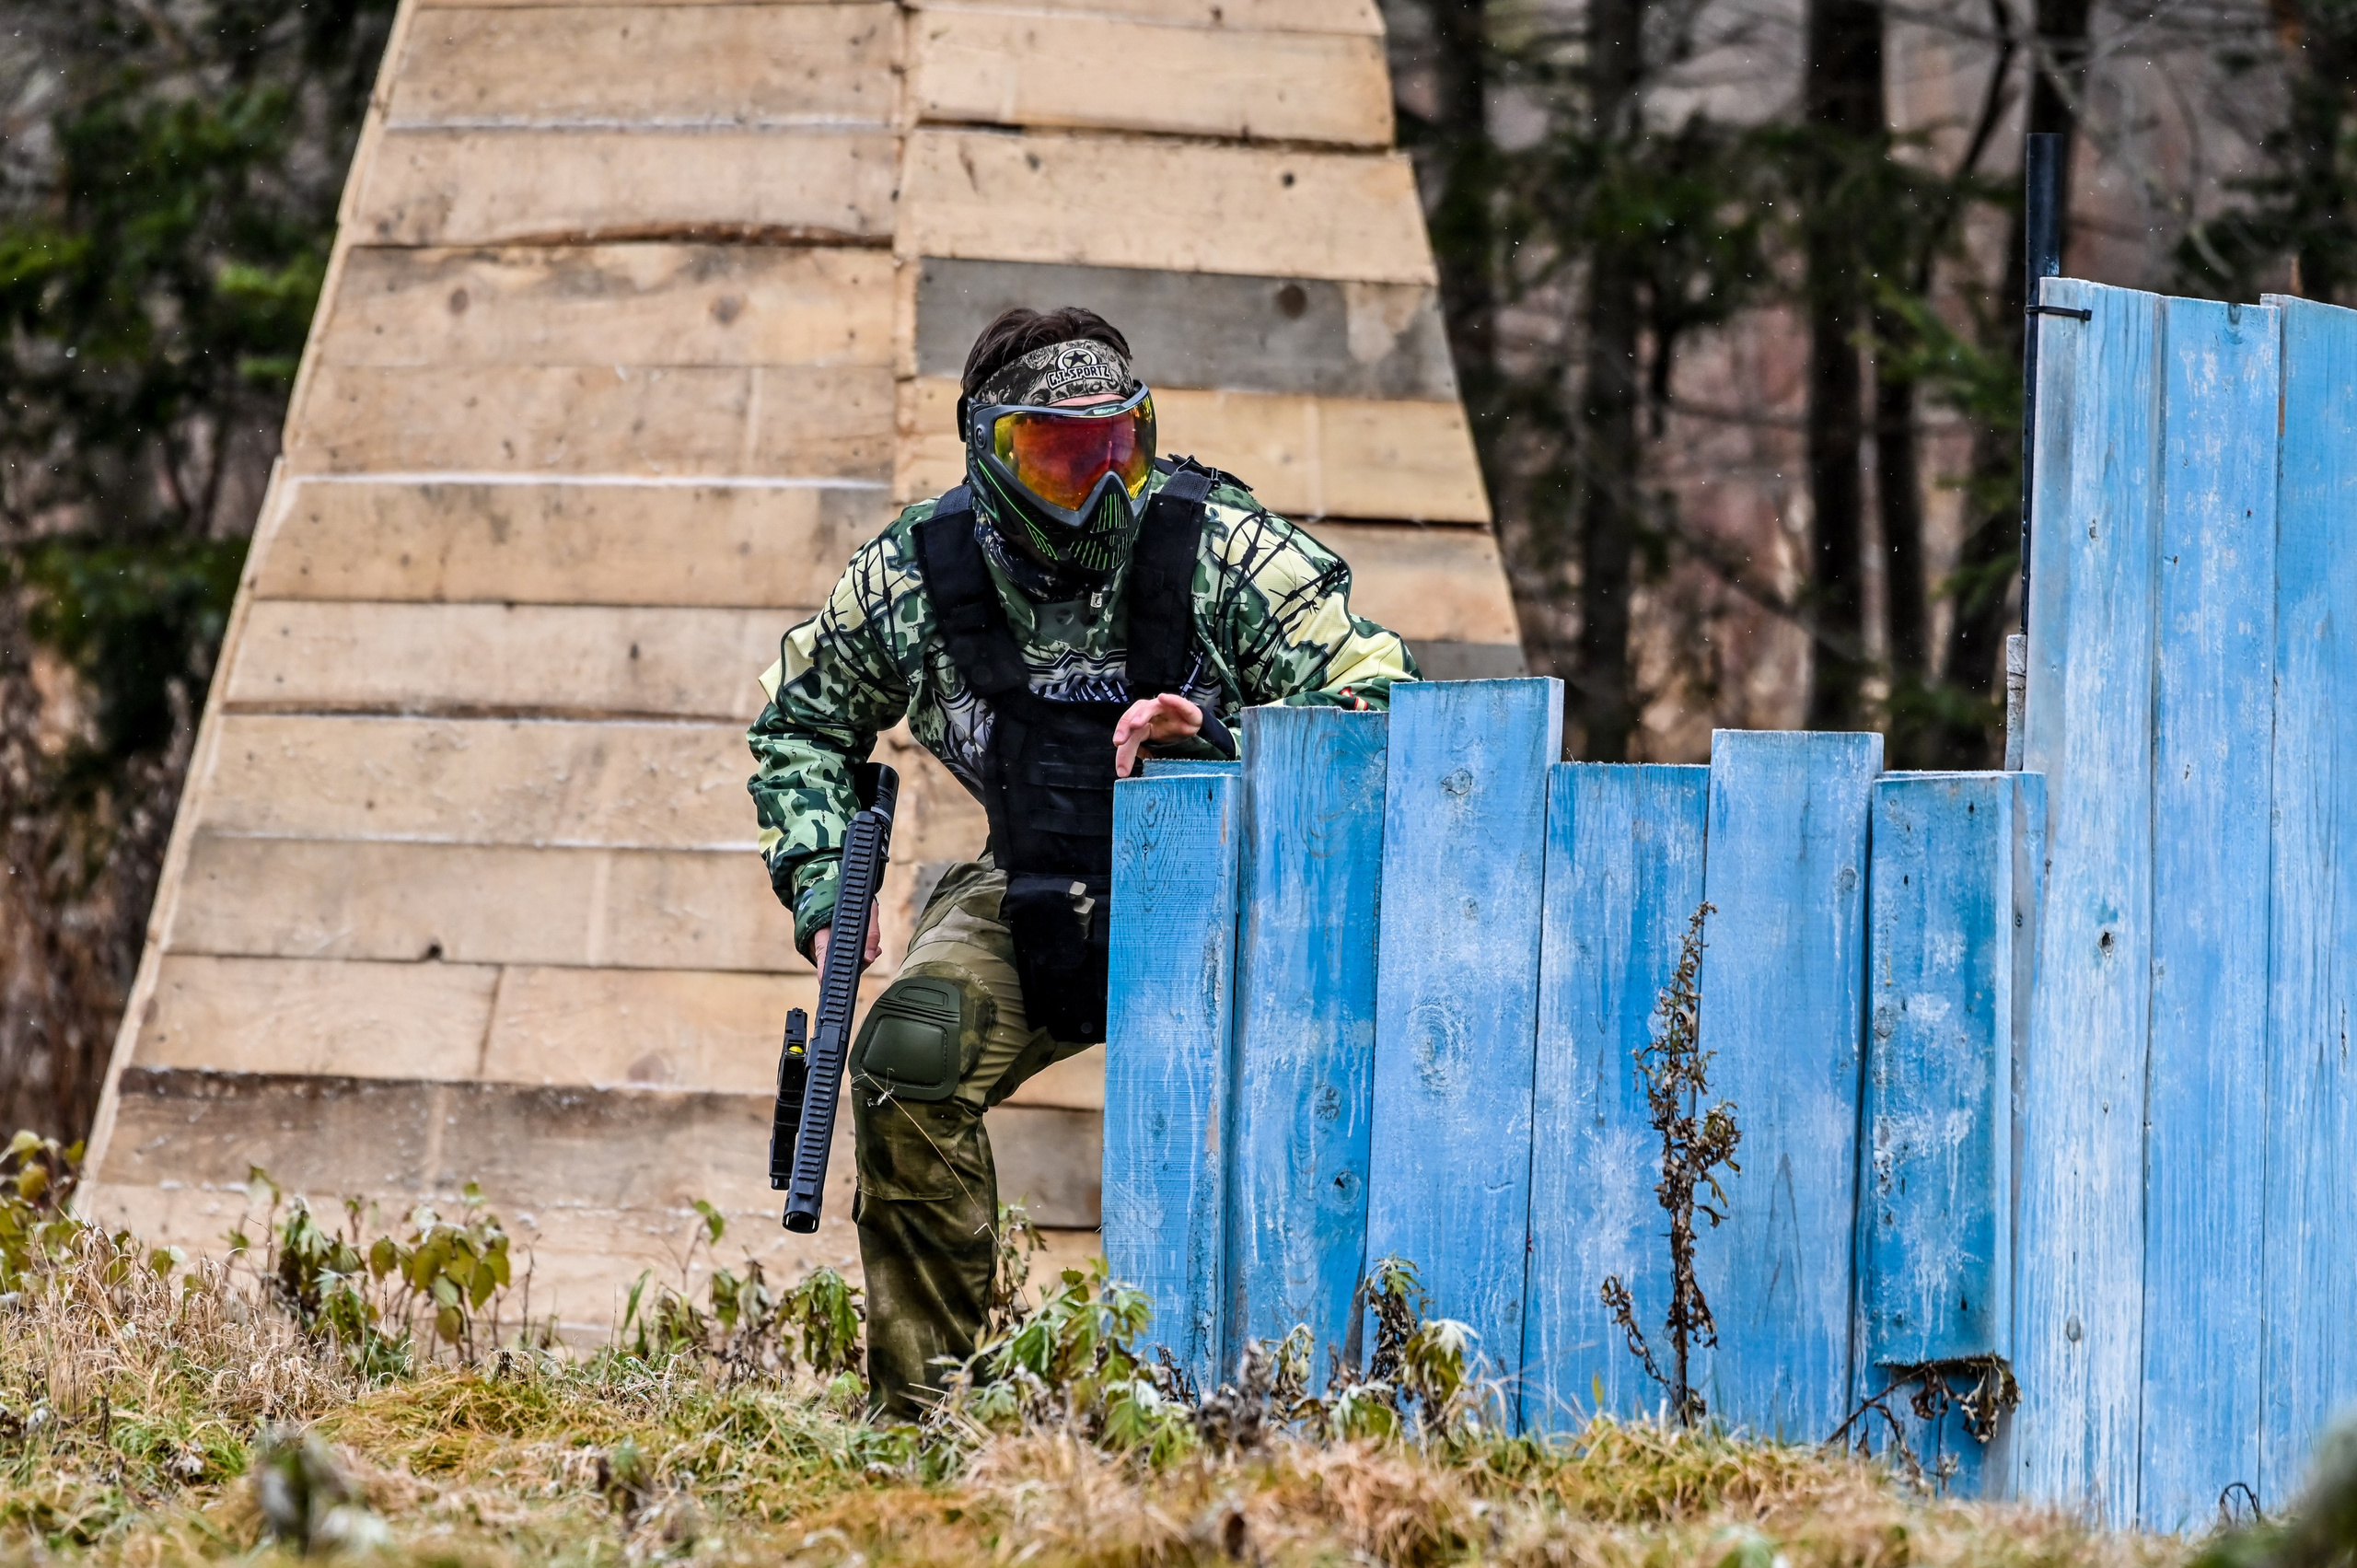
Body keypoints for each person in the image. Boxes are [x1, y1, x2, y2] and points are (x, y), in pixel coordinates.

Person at [747, 306, 1418, 1416]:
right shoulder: (921, 573)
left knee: (1302, 1116)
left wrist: (1217, 739)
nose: (1100, 487)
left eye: (1120, 448)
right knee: (906, 1054)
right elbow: (801, 722)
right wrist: (826, 883)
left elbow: (1385, 701)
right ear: (987, 449)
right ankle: (930, 1415)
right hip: (1037, 894)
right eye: (1059, 456)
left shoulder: (1223, 548)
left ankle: (1281, 1401)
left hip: (1234, 900)